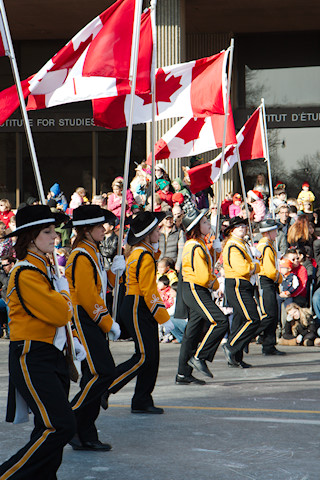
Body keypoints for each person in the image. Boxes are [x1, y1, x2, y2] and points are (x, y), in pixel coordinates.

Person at [0, 204, 83, 479]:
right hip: (32, 356)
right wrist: (63, 295)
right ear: (30, 237)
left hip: (52, 356)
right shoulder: (25, 273)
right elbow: (59, 313)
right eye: (47, 231)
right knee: (60, 426)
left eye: (54, 231)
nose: (54, 236)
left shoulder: (46, 270)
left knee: (47, 427)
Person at [64, 205, 124, 451]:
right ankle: (70, 418)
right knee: (103, 372)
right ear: (87, 230)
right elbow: (88, 297)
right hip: (84, 317)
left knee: (94, 376)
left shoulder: (92, 252)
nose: (104, 229)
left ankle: (85, 432)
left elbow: (100, 285)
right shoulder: (80, 255)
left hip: (91, 317)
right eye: (99, 226)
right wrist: (108, 322)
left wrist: (114, 271)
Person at [101, 211, 171, 414]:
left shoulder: (142, 253)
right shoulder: (144, 255)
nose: (159, 232)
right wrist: (163, 317)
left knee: (152, 356)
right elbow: (148, 290)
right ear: (148, 234)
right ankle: (106, 386)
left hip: (139, 305)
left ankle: (142, 399)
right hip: (137, 305)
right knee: (144, 356)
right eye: (156, 229)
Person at [175, 208, 229, 385]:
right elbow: (204, 276)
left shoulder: (199, 244)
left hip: (196, 289)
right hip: (195, 289)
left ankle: (183, 373)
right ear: (196, 227)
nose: (208, 225)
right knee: (220, 321)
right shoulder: (194, 246)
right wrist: (215, 283)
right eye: (205, 222)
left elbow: (207, 265)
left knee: (192, 332)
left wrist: (216, 251)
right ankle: (199, 356)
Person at [222, 216, 261, 368]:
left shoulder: (242, 243)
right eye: (239, 227)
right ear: (232, 230)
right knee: (252, 319)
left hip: (244, 284)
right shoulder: (233, 245)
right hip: (237, 284)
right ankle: (232, 346)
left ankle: (236, 357)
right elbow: (243, 268)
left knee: (239, 322)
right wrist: (255, 265)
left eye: (244, 226)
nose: (243, 228)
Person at [256, 219, 286, 356]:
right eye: (275, 230)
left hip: (268, 282)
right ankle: (247, 336)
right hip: (266, 280)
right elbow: (269, 271)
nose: (277, 233)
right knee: (270, 315)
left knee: (273, 315)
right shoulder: (266, 246)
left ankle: (269, 344)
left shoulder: (269, 245)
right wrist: (280, 277)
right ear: (268, 232)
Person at [0, 255, 15, 339]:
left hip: (13, 300)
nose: (4, 268)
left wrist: (1, 276)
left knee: (9, 308)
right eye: (2, 266)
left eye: (5, 265)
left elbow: (9, 284)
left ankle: (10, 332)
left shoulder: (15, 271)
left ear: (12, 264)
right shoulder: (5, 274)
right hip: (4, 299)